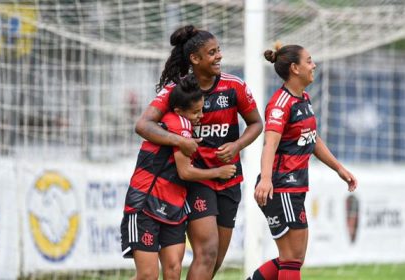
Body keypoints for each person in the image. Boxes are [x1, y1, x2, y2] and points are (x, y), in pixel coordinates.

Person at [135, 25, 263, 279]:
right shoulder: (177, 90)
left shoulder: (234, 87)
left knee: (213, 260)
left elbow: (257, 123)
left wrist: (237, 145)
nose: (219, 56)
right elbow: (143, 125)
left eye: (219, 50)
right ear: (195, 59)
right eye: (212, 52)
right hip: (195, 180)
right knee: (206, 252)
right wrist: (180, 142)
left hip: (229, 179)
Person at [249, 42, 358, 280]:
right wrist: (266, 179)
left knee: (293, 257)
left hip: (294, 186)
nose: (314, 65)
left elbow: (312, 138)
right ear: (294, 68)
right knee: (292, 259)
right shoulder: (280, 105)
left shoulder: (303, 98)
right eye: (309, 61)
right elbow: (270, 144)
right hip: (280, 187)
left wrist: (339, 168)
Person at [121, 74, 237, 280]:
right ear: (179, 110)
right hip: (146, 203)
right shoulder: (179, 125)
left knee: (173, 270)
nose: (201, 115)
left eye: (202, 109)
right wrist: (219, 172)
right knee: (147, 275)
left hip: (173, 208)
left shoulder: (184, 124)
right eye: (196, 112)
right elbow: (186, 172)